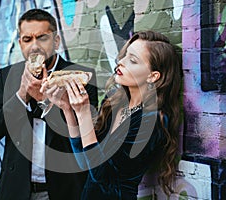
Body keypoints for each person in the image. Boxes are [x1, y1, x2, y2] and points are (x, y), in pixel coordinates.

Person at [41, 30, 182, 199]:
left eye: (133, 60)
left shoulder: (152, 121)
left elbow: (101, 175)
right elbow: (84, 162)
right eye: (124, 56)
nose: (120, 62)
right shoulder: (115, 103)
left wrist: (84, 112)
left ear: (153, 76)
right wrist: (67, 109)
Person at [0, 9, 98, 200]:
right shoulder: (7, 76)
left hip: (63, 190)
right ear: (20, 43)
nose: (34, 46)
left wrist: (45, 102)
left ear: (56, 41)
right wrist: (21, 96)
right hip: (16, 189)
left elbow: (86, 138)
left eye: (42, 38)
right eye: (27, 39)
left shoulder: (81, 77)